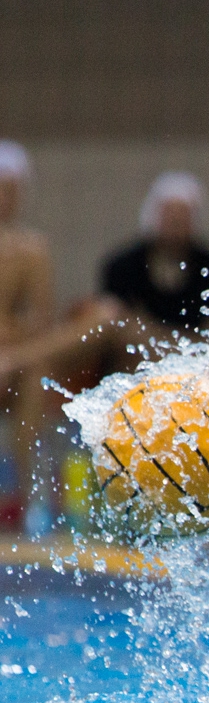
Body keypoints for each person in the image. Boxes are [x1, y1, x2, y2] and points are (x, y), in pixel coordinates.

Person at [100, 172, 209, 341]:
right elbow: (113, 318)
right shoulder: (124, 267)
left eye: (182, 216)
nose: (175, 223)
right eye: (169, 215)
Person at [0, 141, 56, 511]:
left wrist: (10, 354)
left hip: (16, 359)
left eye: (10, 191)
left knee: (37, 371)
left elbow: (42, 323)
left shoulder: (32, 249)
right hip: (9, 352)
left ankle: (31, 497)